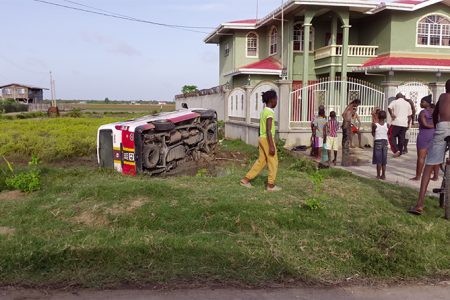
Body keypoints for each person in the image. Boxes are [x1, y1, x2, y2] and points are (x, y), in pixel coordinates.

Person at [409, 79, 450, 215]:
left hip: (442, 128)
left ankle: (420, 204)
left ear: (445, 88)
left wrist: (438, 126)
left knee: (429, 165)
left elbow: (435, 115)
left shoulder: (443, 97)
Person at [240, 90, 281, 192]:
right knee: (273, 162)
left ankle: (245, 180)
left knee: (261, 161)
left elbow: (261, 128)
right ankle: (270, 185)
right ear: (272, 100)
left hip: (262, 139)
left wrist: (261, 143)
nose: (277, 101)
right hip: (267, 139)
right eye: (276, 99)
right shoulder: (270, 113)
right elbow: (268, 130)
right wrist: (271, 145)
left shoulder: (263, 112)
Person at [410, 96, 439, 181]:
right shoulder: (435, 112)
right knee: (435, 157)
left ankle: (418, 176)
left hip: (424, 135)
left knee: (421, 157)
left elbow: (425, 124)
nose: (420, 103)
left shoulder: (423, 112)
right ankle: (435, 176)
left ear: (427, 103)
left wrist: (432, 126)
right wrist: (435, 127)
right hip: (434, 134)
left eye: (422, 102)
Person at [388, 93, 413, 157]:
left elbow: (389, 107)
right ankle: (400, 151)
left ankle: (396, 150)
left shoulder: (395, 102)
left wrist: (391, 114)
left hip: (396, 122)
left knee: (391, 136)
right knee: (401, 138)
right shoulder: (407, 104)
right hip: (404, 124)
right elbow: (410, 116)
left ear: (397, 97)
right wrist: (408, 124)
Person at [342, 99, 361, 166]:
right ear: (355, 103)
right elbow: (343, 114)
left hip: (348, 123)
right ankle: (344, 161)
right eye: (357, 105)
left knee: (347, 140)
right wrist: (346, 121)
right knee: (346, 141)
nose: (357, 106)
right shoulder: (350, 106)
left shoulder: (351, 107)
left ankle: (346, 159)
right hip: (346, 123)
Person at [372, 110, 389, 180]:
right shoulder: (387, 125)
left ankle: (378, 175)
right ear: (385, 117)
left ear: (378, 116)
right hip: (385, 142)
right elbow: (388, 133)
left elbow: (373, 134)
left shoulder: (375, 125)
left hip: (378, 141)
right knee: (384, 160)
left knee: (378, 160)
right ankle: (383, 175)